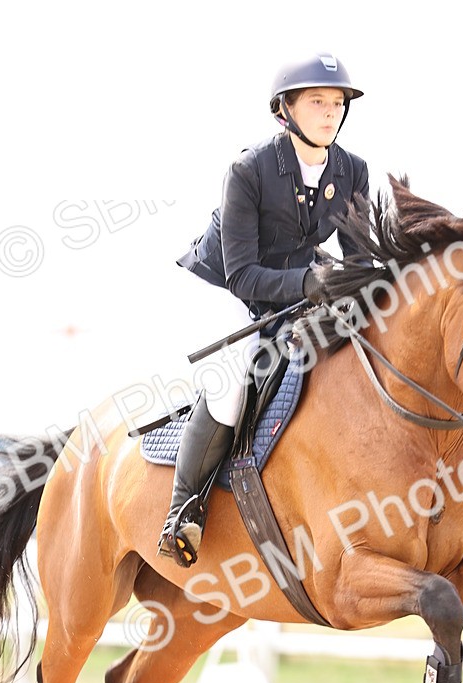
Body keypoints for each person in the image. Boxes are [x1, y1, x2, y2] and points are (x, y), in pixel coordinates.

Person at [157, 52, 370, 566]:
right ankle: (182, 511)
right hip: (221, 286)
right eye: (317, 101)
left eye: (337, 103)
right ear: (286, 110)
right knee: (231, 383)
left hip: (292, 286)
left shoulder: (352, 170)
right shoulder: (249, 169)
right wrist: (312, 281)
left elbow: (359, 260)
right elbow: (242, 275)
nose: (330, 112)